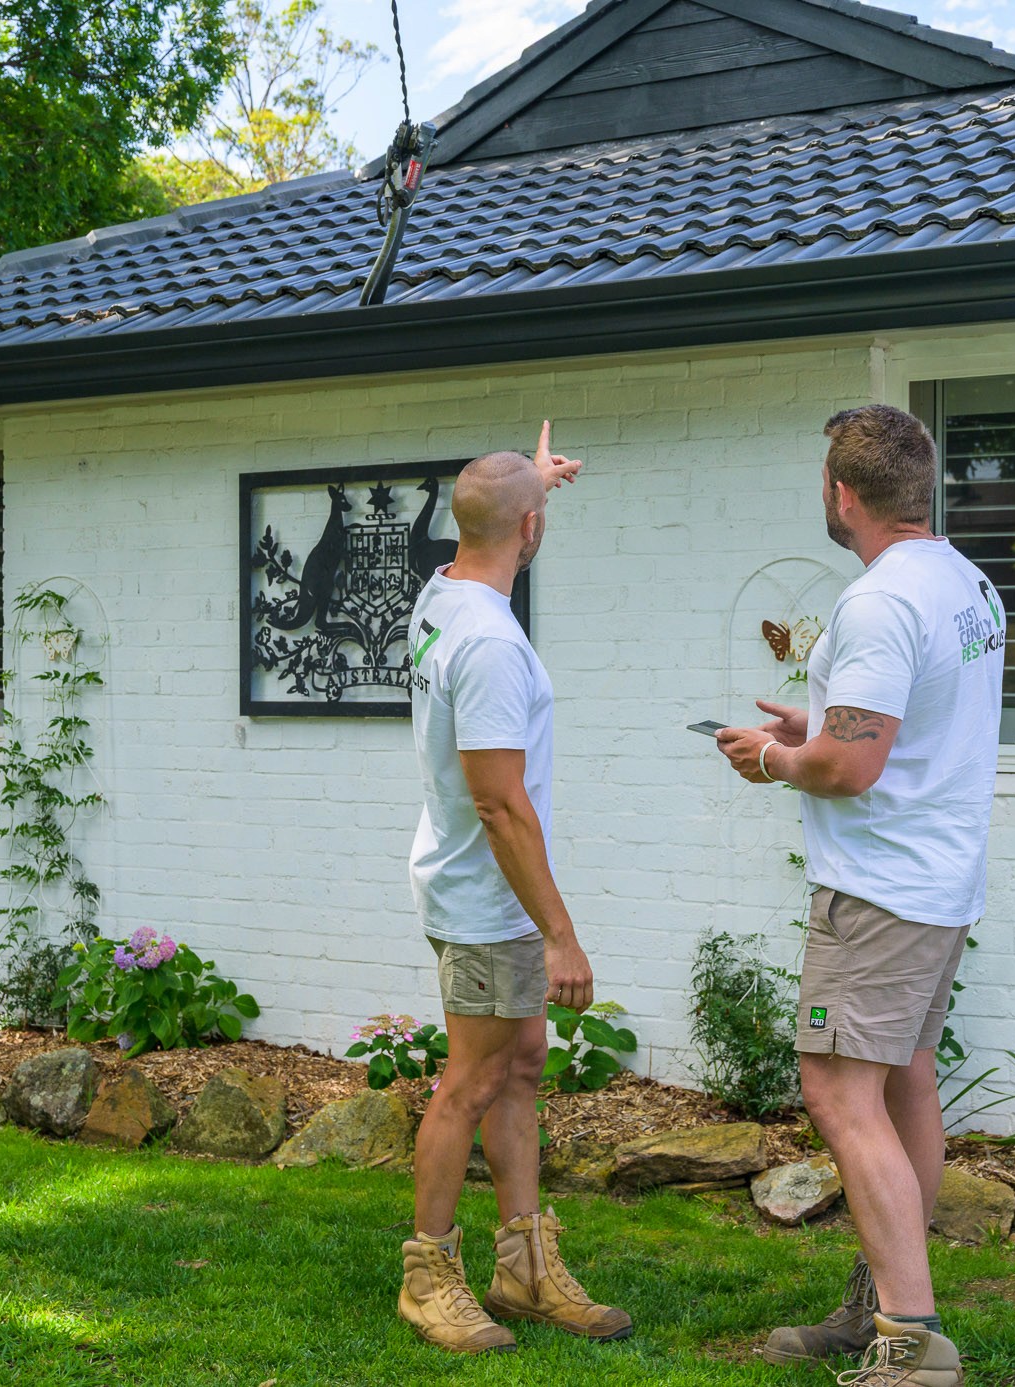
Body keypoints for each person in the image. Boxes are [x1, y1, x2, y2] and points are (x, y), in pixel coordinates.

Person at [715, 405, 1004, 1387]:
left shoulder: (877, 602)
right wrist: (823, 718)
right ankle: (882, 1304)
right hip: (939, 880)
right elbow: (903, 716)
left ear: (842, 495)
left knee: (838, 1092)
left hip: (879, 889)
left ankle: (911, 1345)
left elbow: (847, 768)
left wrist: (775, 755)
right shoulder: (963, 581)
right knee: (903, 1080)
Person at [399, 423, 632, 1355]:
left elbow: (490, 509)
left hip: (472, 885)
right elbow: (500, 806)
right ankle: (429, 1275)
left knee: (520, 1066)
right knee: (474, 1078)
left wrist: (528, 482)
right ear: (530, 531)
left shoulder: (442, 590)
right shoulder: (491, 644)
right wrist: (561, 934)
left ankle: (525, 1264)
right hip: (485, 894)